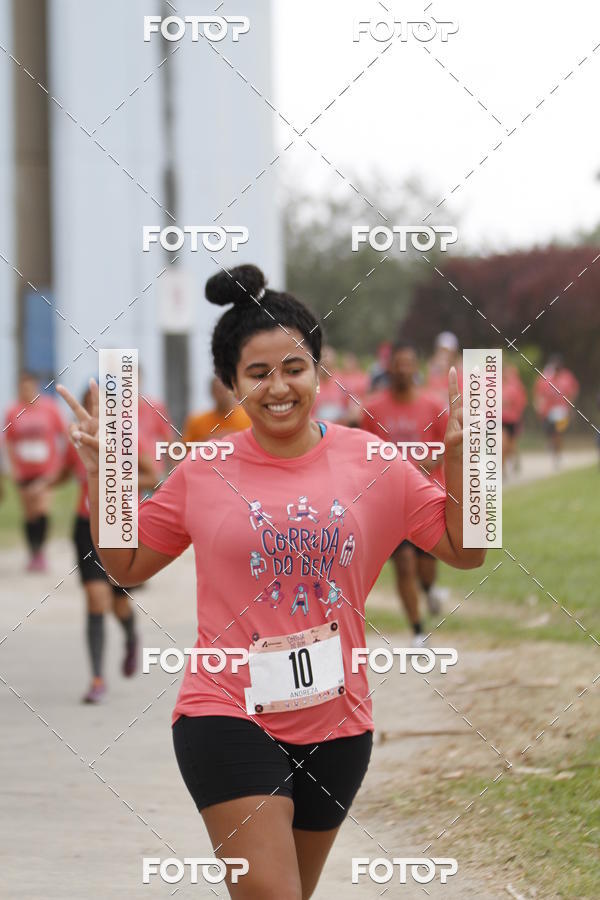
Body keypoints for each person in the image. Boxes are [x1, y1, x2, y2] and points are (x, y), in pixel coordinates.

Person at [58, 264, 484, 900]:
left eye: (294, 368)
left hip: (339, 724)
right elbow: (126, 565)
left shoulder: (374, 461)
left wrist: (469, 464)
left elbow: (465, 551)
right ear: (231, 385)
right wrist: (105, 477)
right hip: (224, 711)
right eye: (257, 373)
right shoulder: (204, 469)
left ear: (319, 370)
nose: (278, 387)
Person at [54, 382, 158, 703]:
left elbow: (152, 477)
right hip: (86, 526)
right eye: (88, 402)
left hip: (121, 527)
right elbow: (64, 471)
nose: (93, 409)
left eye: (100, 403)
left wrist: (115, 476)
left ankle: (130, 637)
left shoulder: (129, 438)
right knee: (95, 599)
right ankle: (97, 678)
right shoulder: (76, 439)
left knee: (118, 603)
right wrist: (43, 484)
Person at [360, 341, 449, 637]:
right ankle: (418, 631)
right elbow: (363, 452)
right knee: (403, 563)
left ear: (416, 367)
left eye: (408, 363)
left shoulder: (433, 406)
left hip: (427, 499)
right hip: (390, 504)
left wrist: (428, 461)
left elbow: (449, 445)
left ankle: (430, 589)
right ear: (389, 368)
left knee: (426, 567)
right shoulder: (372, 409)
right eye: (397, 363)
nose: (402, 369)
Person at [3, 372, 67, 571]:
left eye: (29, 387)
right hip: (24, 470)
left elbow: (63, 435)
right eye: (22, 388)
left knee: (42, 509)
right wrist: (12, 467)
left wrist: (59, 465)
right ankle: (32, 551)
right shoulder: (13, 411)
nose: (26, 392)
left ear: (37, 387)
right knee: (29, 513)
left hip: (45, 469)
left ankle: (40, 551)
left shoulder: (50, 408)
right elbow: (8, 441)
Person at [533, 355, 579, 469]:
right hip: (548, 411)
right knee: (551, 434)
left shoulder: (567, 377)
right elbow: (539, 393)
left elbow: (573, 391)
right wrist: (539, 406)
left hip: (562, 411)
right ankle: (553, 445)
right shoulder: (545, 378)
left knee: (558, 433)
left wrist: (571, 407)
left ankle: (557, 456)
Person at [183, 375, 251, 445]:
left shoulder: (249, 417)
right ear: (212, 392)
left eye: (225, 390)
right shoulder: (197, 421)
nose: (222, 394)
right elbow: (186, 448)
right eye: (218, 390)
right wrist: (207, 441)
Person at [502, 365, 528, 476]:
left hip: (511, 420)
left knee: (510, 445)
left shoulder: (514, 387)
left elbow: (520, 403)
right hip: (498, 421)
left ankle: (514, 460)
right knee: (502, 444)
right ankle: (502, 469)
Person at [426, 331, 462, 404]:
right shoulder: (433, 372)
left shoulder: (459, 373)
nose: (444, 355)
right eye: (441, 351)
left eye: (447, 351)